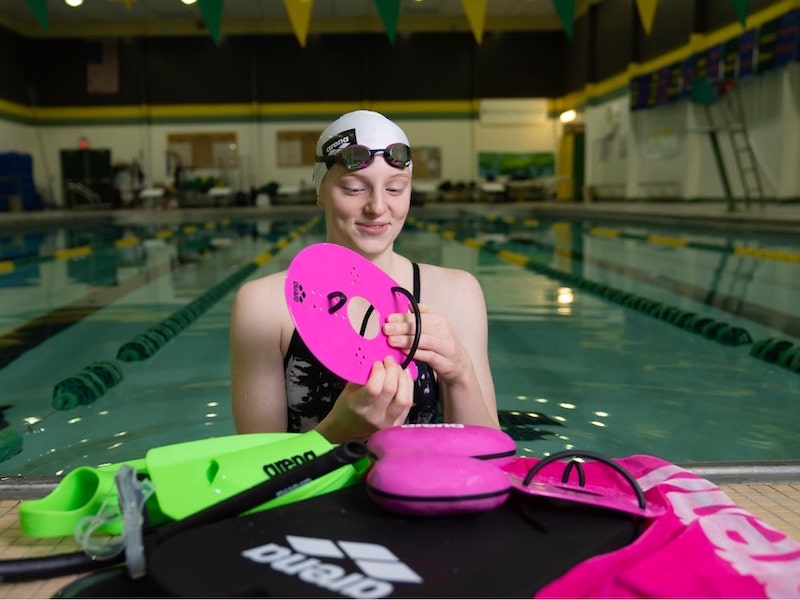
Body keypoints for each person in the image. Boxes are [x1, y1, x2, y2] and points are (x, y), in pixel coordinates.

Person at [230, 110, 498, 443]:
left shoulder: (457, 293)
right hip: (316, 496)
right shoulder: (264, 305)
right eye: (355, 189)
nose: (377, 207)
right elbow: (256, 469)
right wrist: (338, 431)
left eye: (396, 189)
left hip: (422, 493)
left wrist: (461, 374)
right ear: (320, 191)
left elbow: (492, 454)